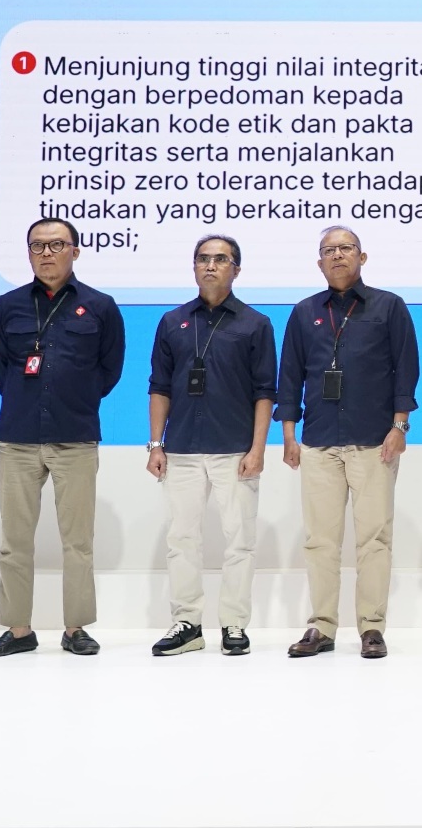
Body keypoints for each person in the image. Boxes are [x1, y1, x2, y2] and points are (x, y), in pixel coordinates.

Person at [0, 217, 124, 658]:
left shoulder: (100, 306)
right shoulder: (7, 306)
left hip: (75, 436)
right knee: (15, 540)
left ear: (75, 251)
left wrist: (75, 398)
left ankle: (75, 628)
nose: (47, 253)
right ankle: (19, 629)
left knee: (78, 541)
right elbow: (2, 369)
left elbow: (109, 370)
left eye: (57, 245)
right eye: (37, 246)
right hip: (19, 436)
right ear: (28, 253)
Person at [276, 227, 419, 659]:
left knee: (374, 538)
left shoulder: (388, 306)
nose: (337, 255)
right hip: (319, 440)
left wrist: (400, 426)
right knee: (320, 539)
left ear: (362, 257)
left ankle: (372, 627)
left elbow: (406, 369)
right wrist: (289, 434)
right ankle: (321, 626)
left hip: (375, 440)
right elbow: (290, 376)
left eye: (345, 249)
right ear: (319, 262)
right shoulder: (304, 312)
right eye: (329, 250)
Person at [144, 234, 277, 657]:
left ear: (236, 269)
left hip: (235, 449)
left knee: (240, 541)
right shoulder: (173, 321)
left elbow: (265, 392)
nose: (210, 265)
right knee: (182, 538)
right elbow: (159, 386)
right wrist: (155, 444)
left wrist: (258, 449)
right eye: (203, 258)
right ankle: (187, 623)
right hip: (181, 448)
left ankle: (234, 624)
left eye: (220, 259)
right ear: (194, 266)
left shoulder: (255, 324)